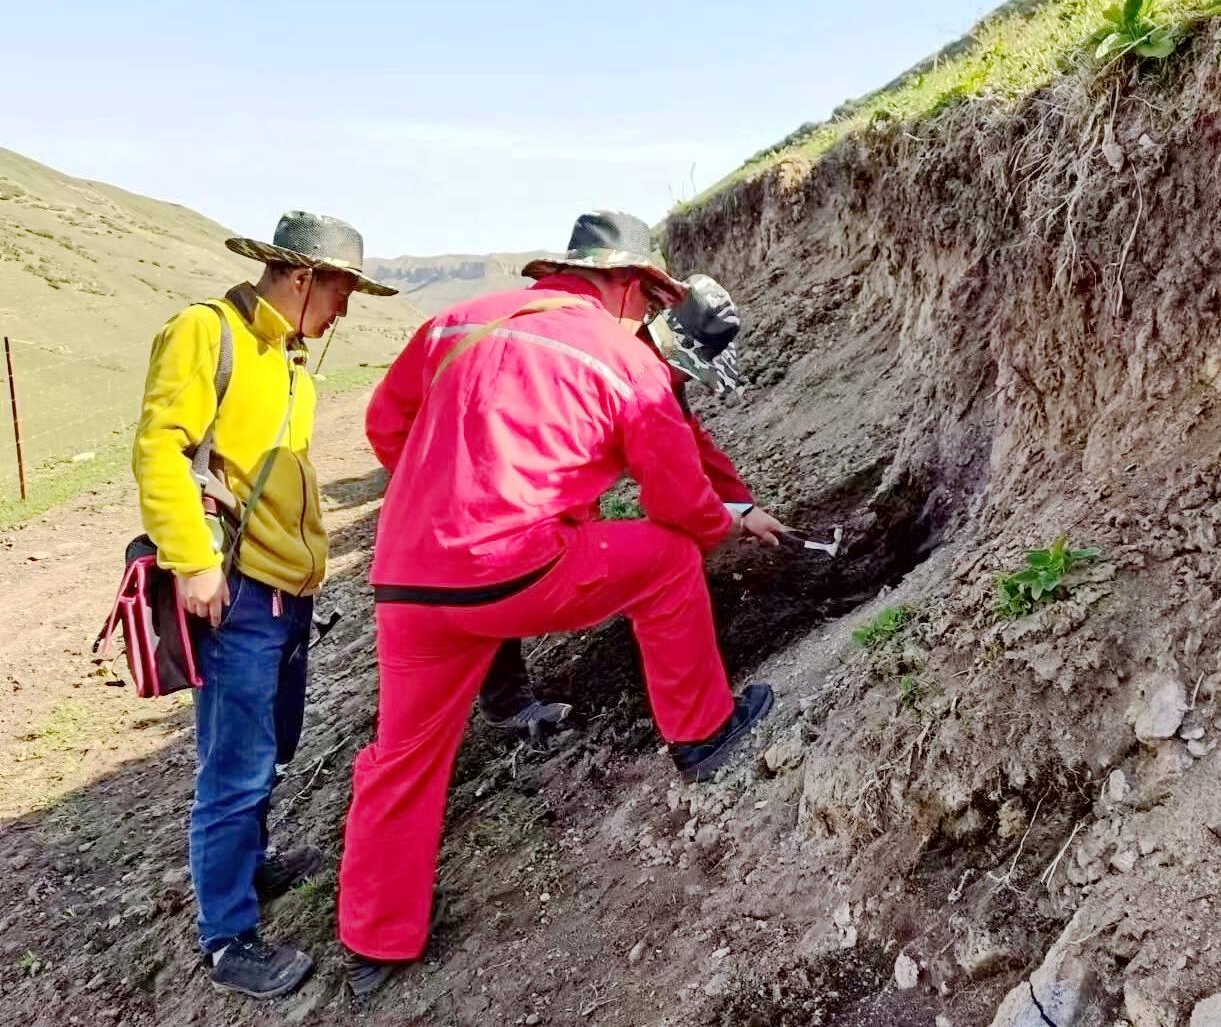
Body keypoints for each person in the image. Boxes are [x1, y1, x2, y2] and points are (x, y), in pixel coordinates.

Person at [337, 210, 778, 997]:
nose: (648, 315)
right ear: (627, 284)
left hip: (407, 581)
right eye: (650, 300)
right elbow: (677, 502)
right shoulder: (623, 357)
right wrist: (725, 524)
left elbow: (386, 423)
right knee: (670, 561)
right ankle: (704, 734)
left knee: (402, 755)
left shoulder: (457, 323)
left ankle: (375, 942)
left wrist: (448, 502)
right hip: (513, 569)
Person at [132, 211, 397, 999]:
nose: (344, 310)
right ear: (303, 276)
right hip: (236, 588)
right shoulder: (205, 332)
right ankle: (228, 938)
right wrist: (193, 562)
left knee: (272, 743)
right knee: (235, 764)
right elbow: (159, 449)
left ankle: (250, 864)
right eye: (341, 291)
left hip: (285, 590)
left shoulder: (288, 362)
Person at [475, 273, 784, 738]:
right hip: (491, 488)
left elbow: (688, 439)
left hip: (467, 513)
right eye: (686, 371)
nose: (683, 381)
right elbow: (675, 498)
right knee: (498, 559)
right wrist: (723, 522)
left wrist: (743, 506)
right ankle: (506, 701)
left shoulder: (648, 361)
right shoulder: (605, 358)